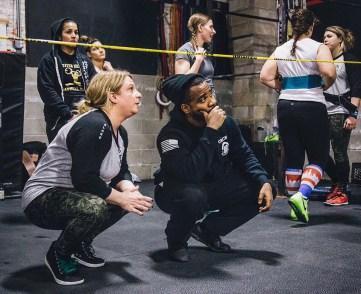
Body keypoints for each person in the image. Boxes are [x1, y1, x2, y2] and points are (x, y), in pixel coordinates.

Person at [22, 70, 153, 286]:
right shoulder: (94, 124)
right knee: (98, 205)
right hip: (41, 199)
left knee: (125, 196)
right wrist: (121, 198)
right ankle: (58, 254)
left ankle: (80, 244)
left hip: (71, 193)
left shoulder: (119, 132)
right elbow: (84, 179)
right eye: (131, 89)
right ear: (113, 96)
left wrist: (128, 189)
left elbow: (121, 170)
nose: (138, 94)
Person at [154, 74, 275, 262]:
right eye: (202, 99)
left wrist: (263, 180)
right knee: (193, 197)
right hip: (177, 190)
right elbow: (189, 173)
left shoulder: (226, 123)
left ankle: (208, 231)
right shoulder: (170, 136)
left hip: (213, 185)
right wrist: (210, 131)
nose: (212, 102)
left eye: (210, 94)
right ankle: (176, 241)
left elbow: (244, 155)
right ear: (186, 108)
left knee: (262, 188)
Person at [260, 8, 336, 223]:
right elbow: (329, 73)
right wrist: (323, 86)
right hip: (311, 104)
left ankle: (296, 208)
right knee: (318, 157)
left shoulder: (281, 48)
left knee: (293, 157)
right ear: (311, 27)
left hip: (286, 105)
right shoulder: (318, 47)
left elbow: (264, 76)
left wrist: (283, 87)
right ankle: (302, 195)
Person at [37, 18, 96, 143]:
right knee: (62, 160)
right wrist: (68, 113)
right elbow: (46, 90)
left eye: (76, 32)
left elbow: (96, 87)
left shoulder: (85, 61)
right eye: (69, 32)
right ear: (59, 36)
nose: (74, 36)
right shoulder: (49, 60)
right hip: (60, 119)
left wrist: (89, 112)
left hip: (84, 117)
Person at [323, 26, 361, 206]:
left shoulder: (349, 59)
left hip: (340, 112)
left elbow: (356, 88)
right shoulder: (323, 60)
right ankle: (337, 181)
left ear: (340, 39)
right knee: (319, 152)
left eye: (329, 36)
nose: (325, 39)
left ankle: (342, 189)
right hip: (322, 111)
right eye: (324, 36)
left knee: (339, 152)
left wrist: (353, 115)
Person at [175, 13, 216, 93]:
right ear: (200, 27)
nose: (214, 31)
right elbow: (181, 84)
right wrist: (198, 60)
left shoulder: (204, 52)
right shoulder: (184, 50)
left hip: (210, 101)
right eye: (211, 27)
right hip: (196, 103)